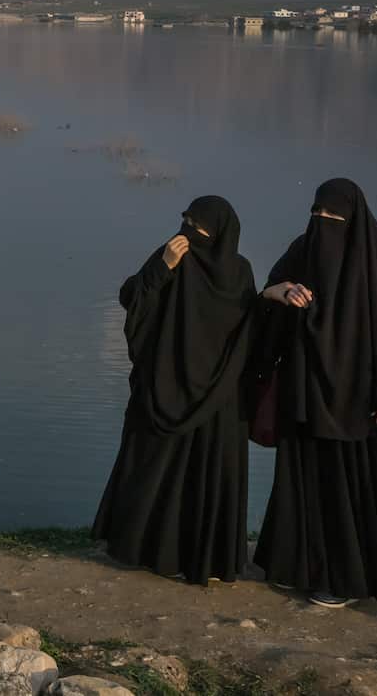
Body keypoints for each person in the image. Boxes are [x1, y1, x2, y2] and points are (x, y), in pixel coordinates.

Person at [254, 178, 377, 608]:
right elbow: (265, 302)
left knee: (344, 486)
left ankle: (343, 580)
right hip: (303, 390)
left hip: (353, 399)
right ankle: (294, 566)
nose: (321, 223)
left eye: (331, 216)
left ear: (351, 217)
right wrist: (280, 293)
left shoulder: (376, 262)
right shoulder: (302, 249)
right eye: (316, 214)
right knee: (300, 477)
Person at [92, 197, 256, 584]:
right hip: (173, 384)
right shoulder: (172, 257)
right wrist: (161, 267)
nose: (188, 231)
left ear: (217, 233)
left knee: (199, 471)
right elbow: (132, 296)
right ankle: (148, 548)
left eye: (197, 225)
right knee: (157, 468)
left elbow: (247, 330)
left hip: (214, 395)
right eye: (184, 220)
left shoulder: (239, 273)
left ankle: (201, 556)